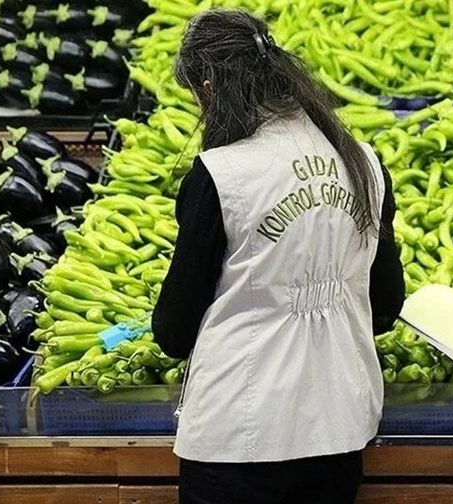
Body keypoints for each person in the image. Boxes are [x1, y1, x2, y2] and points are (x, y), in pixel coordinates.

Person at [150, 10, 405, 504]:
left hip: (239, 437)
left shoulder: (221, 175)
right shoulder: (364, 162)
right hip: (339, 429)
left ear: (208, 90)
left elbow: (174, 332)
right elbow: (386, 304)